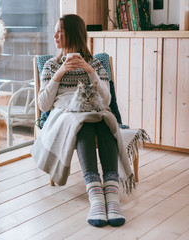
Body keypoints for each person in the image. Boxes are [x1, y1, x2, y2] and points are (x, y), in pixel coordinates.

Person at [30, 14, 134, 228]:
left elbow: (105, 100)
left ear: (73, 34)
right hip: (64, 114)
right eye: (55, 31)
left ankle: (111, 196)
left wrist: (90, 71)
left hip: (95, 110)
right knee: (84, 123)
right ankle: (96, 196)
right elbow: (44, 106)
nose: (55, 35)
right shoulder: (51, 66)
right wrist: (60, 73)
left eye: (60, 31)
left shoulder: (95, 64)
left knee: (103, 119)